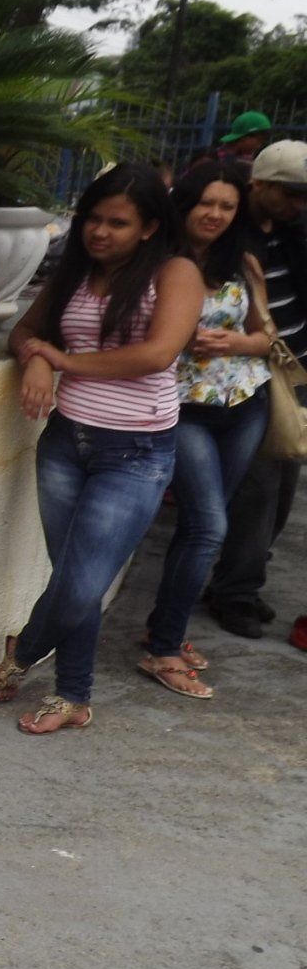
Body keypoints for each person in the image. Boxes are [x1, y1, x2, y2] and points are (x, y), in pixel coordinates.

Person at [0, 164, 205, 733]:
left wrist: (63, 361)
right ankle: (72, 697)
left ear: (149, 227)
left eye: (117, 223)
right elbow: (23, 331)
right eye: (92, 219)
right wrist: (36, 359)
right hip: (66, 443)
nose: (99, 232)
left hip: (136, 453)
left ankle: (25, 651)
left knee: (80, 584)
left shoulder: (175, 273)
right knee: (72, 577)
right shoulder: (76, 272)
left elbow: (158, 354)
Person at [138, 162, 273, 698]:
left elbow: (265, 337)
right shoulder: (155, 262)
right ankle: (164, 648)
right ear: (184, 204)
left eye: (227, 206)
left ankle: (162, 629)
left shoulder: (241, 262)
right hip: (182, 406)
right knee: (209, 526)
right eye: (206, 203)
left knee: (200, 524)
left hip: (243, 401)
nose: (215, 214)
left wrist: (234, 342)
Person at [205, 140, 307, 636]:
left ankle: (241, 582)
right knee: (258, 491)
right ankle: (234, 593)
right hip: (253, 380)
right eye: (290, 193)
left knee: (283, 487)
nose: (298, 203)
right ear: (259, 185)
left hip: (294, 376)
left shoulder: (292, 232)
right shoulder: (232, 237)